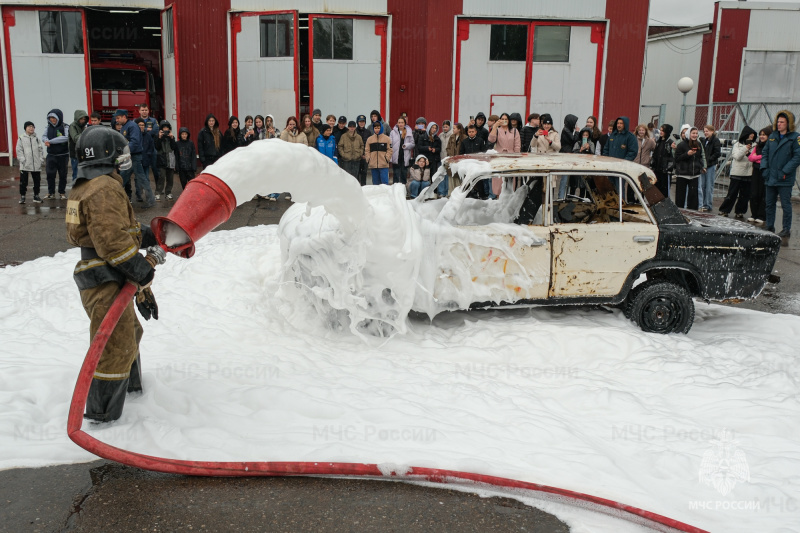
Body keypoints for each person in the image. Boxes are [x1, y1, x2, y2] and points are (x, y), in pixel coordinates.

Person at [66, 126, 166, 423]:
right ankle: (103, 417)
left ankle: (132, 392)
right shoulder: (104, 188)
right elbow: (111, 241)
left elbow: (113, 228)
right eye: (119, 153)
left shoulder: (86, 185)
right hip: (105, 277)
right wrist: (141, 270)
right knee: (114, 344)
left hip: (101, 274)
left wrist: (153, 236)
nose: (124, 159)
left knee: (128, 333)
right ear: (106, 155)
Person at [761, 110, 800, 241]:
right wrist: (764, 168)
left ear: (788, 123)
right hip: (771, 177)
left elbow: (797, 157)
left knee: (785, 205)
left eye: (782, 122)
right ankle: (770, 225)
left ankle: (786, 229)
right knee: (769, 203)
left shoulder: (795, 137)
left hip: (784, 178)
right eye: (778, 122)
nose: (779, 124)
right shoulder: (772, 136)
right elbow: (765, 153)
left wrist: (785, 171)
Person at [116, 109, 155, 208]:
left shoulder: (132, 126)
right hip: (129, 156)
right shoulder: (124, 127)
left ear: (124, 117)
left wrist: (125, 151)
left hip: (134, 157)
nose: (117, 120)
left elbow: (135, 141)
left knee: (141, 178)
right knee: (122, 178)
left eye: (118, 118)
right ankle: (115, 199)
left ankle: (151, 201)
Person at [719, 126, 756, 218]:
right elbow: (737, 157)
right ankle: (725, 210)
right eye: (749, 136)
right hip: (737, 173)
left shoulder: (755, 146)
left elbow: (753, 158)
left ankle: (740, 211)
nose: (751, 138)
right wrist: (745, 148)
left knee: (745, 195)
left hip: (748, 173)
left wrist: (750, 150)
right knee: (732, 193)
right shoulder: (737, 145)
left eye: (752, 137)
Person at [674, 126, 705, 210]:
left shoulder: (698, 144)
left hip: (694, 174)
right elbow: (677, 159)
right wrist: (687, 154)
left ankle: (693, 212)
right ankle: (679, 211)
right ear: (689, 134)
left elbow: (700, 157)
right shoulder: (681, 145)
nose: (695, 135)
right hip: (683, 174)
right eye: (693, 133)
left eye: (696, 133)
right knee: (680, 196)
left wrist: (702, 166)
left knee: (693, 196)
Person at [489, 113, 521, 196]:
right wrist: (495, 126)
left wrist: (516, 157)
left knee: (510, 178)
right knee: (498, 179)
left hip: (511, 156)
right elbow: (491, 140)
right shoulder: (497, 130)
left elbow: (517, 145)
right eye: (502, 119)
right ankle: (497, 196)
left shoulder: (514, 131)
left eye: (506, 119)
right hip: (499, 156)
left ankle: (509, 196)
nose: (504, 121)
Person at [42, 108, 70, 200]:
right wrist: (45, 140)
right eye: (50, 118)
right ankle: (51, 192)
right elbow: (44, 136)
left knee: (62, 174)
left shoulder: (65, 126)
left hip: (63, 155)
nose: (52, 120)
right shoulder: (48, 127)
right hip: (51, 155)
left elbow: (66, 138)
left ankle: (62, 192)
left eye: (54, 118)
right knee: (50, 174)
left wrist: (51, 141)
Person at [747, 126, 772, 225]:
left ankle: (761, 215)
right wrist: (760, 158)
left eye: (764, 135)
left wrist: (757, 158)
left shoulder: (770, 146)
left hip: (765, 171)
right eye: (760, 134)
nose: (761, 136)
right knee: (754, 193)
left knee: (763, 194)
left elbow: (767, 158)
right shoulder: (757, 146)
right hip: (756, 171)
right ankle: (754, 214)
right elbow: (750, 158)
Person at [16, 121, 44, 204]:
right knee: (24, 181)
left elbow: (40, 150)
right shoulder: (21, 138)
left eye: (32, 126)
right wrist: (23, 160)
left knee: (37, 181)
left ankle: (36, 195)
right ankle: (23, 196)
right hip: (25, 164)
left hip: (36, 164)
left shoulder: (36, 138)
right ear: (25, 128)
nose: (31, 128)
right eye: (29, 126)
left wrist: (40, 159)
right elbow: (19, 150)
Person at [698, 125, 721, 212]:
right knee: (703, 185)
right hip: (704, 166)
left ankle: (708, 204)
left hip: (710, 165)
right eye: (704, 131)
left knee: (709, 186)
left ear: (712, 131)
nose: (705, 133)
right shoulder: (705, 141)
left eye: (707, 131)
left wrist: (708, 160)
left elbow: (717, 153)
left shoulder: (715, 141)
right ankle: (702, 203)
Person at [154, 120, 177, 200]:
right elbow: (157, 147)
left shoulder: (171, 137)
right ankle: (158, 193)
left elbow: (174, 147)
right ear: (161, 129)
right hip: (161, 159)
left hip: (170, 158)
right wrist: (159, 138)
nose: (165, 129)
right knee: (162, 177)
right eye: (164, 128)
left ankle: (168, 192)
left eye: (167, 128)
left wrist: (171, 138)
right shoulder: (158, 137)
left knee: (170, 177)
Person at [138, 104, 160, 189]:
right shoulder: (136, 121)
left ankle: (158, 187)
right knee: (142, 167)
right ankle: (142, 187)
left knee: (155, 167)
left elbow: (155, 131)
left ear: (148, 111)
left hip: (152, 146)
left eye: (146, 110)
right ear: (139, 111)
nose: (144, 112)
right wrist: (147, 130)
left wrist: (144, 132)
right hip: (141, 147)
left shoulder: (154, 121)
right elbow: (136, 132)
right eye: (142, 110)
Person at [651, 124, 675, 199]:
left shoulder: (670, 142)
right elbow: (655, 155)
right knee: (656, 189)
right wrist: (653, 165)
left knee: (665, 190)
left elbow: (672, 157)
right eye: (660, 130)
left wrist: (668, 168)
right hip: (657, 170)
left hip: (665, 171)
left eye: (663, 130)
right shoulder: (659, 142)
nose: (661, 132)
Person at [134, 118, 156, 202]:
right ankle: (139, 195)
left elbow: (151, 147)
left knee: (146, 178)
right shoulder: (134, 136)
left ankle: (148, 196)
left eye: (143, 125)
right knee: (137, 179)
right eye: (139, 125)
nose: (141, 127)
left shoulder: (148, 136)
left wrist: (148, 154)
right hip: (137, 161)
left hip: (145, 161)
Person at [365, 120, 392, 185]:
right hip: (373, 165)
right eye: (375, 128)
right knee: (375, 184)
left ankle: (385, 195)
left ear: (381, 128)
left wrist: (387, 158)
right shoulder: (370, 139)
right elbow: (367, 150)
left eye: (378, 128)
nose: (377, 130)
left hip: (384, 165)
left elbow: (390, 150)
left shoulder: (387, 139)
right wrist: (368, 159)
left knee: (384, 183)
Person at [390, 116, 415, 185]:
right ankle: (395, 191)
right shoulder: (392, 132)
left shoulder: (409, 132)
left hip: (405, 157)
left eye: (402, 122)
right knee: (396, 175)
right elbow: (390, 144)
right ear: (397, 123)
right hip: (396, 156)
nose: (400, 124)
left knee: (404, 174)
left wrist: (406, 145)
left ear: (405, 124)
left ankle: (403, 190)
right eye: (399, 122)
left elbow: (413, 144)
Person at [68, 109, 88, 180]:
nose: (83, 120)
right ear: (77, 118)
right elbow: (75, 138)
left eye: (84, 119)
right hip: (75, 153)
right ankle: (75, 190)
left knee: (84, 174)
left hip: (83, 153)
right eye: (81, 119)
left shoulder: (83, 126)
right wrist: (86, 133)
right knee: (76, 174)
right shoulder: (72, 126)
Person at [447, 123, 466, 192]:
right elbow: (448, 147)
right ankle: (451, 192)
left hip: (460, 161)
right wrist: (450, 155)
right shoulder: (452, 137)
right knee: (451, 175)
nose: (453, 130)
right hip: (452, 160)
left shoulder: (464, 137)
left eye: (454, 128)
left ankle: (459, 192)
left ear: (459, 129)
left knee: (459, 176)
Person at [356, 115, 371, 186]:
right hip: (356, 156)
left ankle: (364, 187)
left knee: (364, 173)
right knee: (356, 173)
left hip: (365, 156)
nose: (361, 123)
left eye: (363, 122)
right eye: (360, 122)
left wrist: (366, 155)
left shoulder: (368, 132)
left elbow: (370, 144)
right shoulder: (354, 131)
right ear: (357, 122)